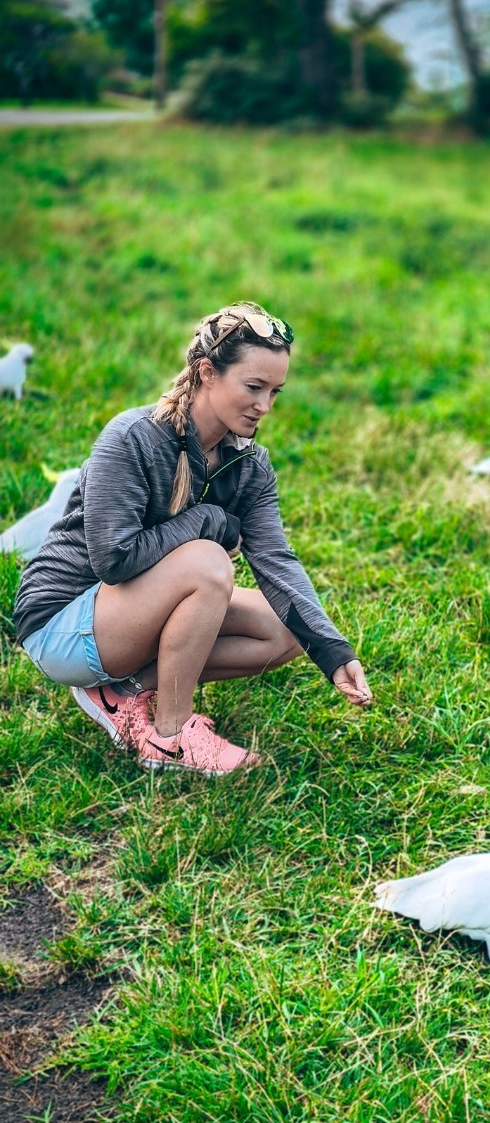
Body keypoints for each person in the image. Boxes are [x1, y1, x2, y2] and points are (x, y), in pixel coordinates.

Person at [13, 302, 372, 775]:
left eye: (275, 392)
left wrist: (333, 651)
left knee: (286, 628)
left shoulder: (249, 465)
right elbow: (113, 560)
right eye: (253, 387)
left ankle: (124, 691)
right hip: (61, 624)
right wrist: (206, 521)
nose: (264, 406)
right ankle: (168, 738)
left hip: (125, 620)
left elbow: (277, 562)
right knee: (207, 562)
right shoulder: (133, 438)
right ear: (207, 372)